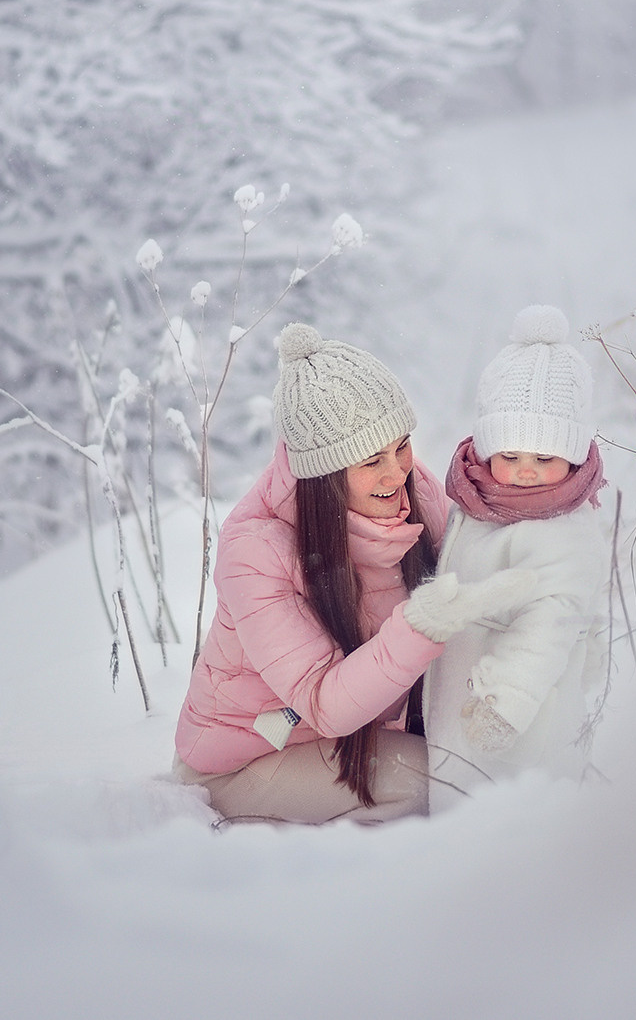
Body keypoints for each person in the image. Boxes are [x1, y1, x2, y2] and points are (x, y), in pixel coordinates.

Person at [174, 322, 532, 825]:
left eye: (401, 446)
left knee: (480, 763)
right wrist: (421, 624)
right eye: (371, 461)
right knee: (437, 784)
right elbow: (323, 702)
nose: (398, 473)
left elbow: (476, 573)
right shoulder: (255, 552)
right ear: (325, 474)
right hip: (243, 762)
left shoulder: (411, 492)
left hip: (340, 740)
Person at [424, 305, 612, 809]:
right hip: (459, 715)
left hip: (511, 724)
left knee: (502, 829)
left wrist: (506, 702)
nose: (525, 473)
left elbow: (552, 624)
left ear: (573, 456)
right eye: (510, 456)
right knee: (457, 812)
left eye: (544, 459)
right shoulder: (484, 508)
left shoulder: (563, 531)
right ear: (487, 452)